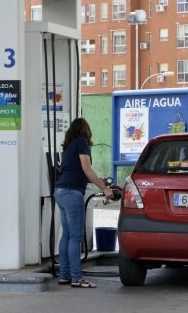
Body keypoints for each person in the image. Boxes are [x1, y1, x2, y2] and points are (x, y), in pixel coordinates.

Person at [54, 117, 114, 288]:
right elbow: (87, 169)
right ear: (86, 131)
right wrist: (105, 188)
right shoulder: (81, 142)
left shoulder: (69, 146)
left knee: (66, 235)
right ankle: (77, 278)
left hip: (60, 191)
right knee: (74, 236)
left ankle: (65, 275)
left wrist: (99, 182)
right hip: (72, 193)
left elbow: (78, 170)